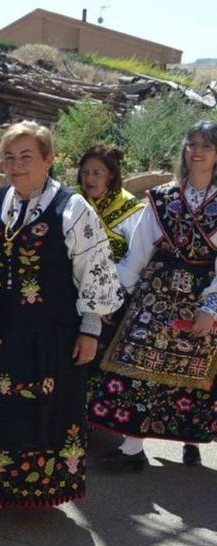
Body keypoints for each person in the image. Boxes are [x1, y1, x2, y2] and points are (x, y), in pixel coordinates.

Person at [0, 121, 123, 525]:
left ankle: (40, 487)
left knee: (45, 408)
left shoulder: (72, 208)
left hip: (51, 332)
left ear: (49, 160)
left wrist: (90, 328)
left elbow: (96, 273)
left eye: (27, 156)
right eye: (10, 157)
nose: (16, 165)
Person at [88, 121, 217, 469]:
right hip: (155, 295)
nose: (197, 152)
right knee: (134, 364)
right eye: (191, 144)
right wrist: (111, 298)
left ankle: (191, 438)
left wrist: (211, 307)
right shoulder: (162, 198)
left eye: (206, 145)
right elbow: (137, 255)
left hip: (200, 297)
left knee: (195, 373)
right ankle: (132, 451)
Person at [77, 144, 144, 262]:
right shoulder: (74, 202)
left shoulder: (131, 209)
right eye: (85, 172)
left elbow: (138, 258)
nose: (88, 179)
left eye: (96, 173)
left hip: (118, 277)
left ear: (111, 175)